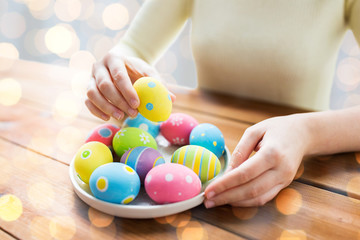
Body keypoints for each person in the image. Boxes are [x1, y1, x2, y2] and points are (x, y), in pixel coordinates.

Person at [85, 0, 360, 208]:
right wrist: (115, 68)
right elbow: (134, 48)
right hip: (211, 159)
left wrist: (307, 132)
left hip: (307, 179)